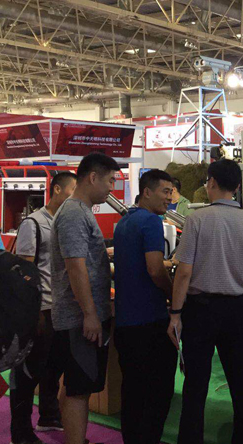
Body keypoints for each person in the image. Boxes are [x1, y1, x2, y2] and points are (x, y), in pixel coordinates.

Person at [168, 159, 243, 444]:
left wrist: (175, 313)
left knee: (196, 384)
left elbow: (183, 272)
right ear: (236, 187)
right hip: (238, 310)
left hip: (201, 310)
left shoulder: (197, 220)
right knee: (241, 383)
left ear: (211, 182)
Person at [51, 153, 119, 444]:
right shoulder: (74, 213)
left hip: (81, 315)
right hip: (78, 318)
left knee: (76, 384)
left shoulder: (80, 210)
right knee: (79, 388)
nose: (112, 188)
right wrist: (90, 314)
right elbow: (75, 266)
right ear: (92, 178)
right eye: (110, 180)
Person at [10, 171, 77, 444]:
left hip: (60, 309)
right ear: (58, 189)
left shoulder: (64, 222)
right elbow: (24, 271)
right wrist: (33, 310)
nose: (75, 196)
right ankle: (20, 431)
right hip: (40, 308)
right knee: (27, 373)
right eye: (73, 190)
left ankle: (48, 416)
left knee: (52, 367)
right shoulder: (34, 223)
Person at [113, 170, 177, 444]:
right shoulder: (151, 222)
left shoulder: (123, 223)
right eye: (165, 191)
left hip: (125, 322)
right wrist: (174, 294)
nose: (169, 197)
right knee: (158, 392)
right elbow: (154, 269)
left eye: (171, 192)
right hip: (149, 321)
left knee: (133, 392)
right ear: (147, 192)